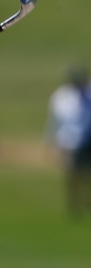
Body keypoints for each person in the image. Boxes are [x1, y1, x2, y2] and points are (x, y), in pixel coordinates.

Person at [46, 66, 91, 217]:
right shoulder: (62, 97)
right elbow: (55, 121)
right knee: (72, 173)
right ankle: (75, 203)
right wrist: (53, 140)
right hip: (71, 141)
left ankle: (86, 200)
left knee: (86, 172)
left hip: (88, 139)